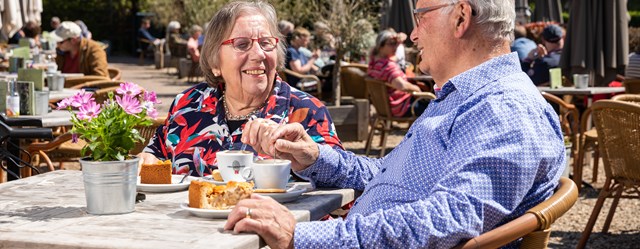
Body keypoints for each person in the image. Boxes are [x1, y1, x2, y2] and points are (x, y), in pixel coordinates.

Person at [225, 0, 564, 248]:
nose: (413, 35)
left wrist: (301, 236)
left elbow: (448, 220)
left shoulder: (504, 109)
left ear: (461, 17)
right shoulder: (468, 99)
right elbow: (392, 175)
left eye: (421, 17)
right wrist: (315, 158)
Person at [137, 1, 343, 177]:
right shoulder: (189, 103)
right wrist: (144, 162)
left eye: (266, 43)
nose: (259, 54)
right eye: (242, 44)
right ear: (215, 62)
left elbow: (342, 186)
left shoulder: (306, 111)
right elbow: (157, 154)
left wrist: (311, 161)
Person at [368, 29, 427, 117]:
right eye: (391, 43)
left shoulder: (374, 64)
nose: (395, 47)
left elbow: (395, 58)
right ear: (381, 46)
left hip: (389, 107)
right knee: (433, 106)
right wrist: (417, 89)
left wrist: (398, 42)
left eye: (396, 44)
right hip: (402, 107)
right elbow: (401, 85)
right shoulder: (387, 66)